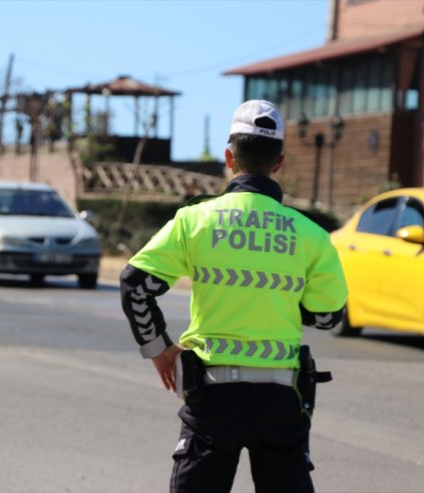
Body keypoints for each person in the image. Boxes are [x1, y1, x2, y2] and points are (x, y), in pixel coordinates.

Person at [120, 99, 348, 493]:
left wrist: (158, 348)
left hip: (212, 398)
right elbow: (329, 316)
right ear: (279, 162)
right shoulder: (312, 235)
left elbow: (135, 284)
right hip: (281, 401)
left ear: (229, 157)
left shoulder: (194, 221)